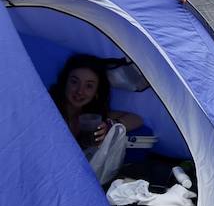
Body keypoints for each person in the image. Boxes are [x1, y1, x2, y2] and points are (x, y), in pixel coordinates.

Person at [50, 55, 144, 186]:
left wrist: (110, 125)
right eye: (74, 82)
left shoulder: (92, 117)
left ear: (96, 92)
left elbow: (137, 119)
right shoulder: (49, 109)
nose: (80, 91)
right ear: (64, 82)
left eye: (89, 86)